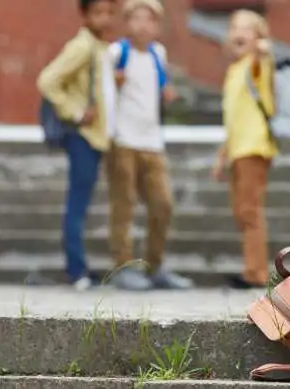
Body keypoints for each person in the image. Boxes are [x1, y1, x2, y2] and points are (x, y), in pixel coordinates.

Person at [104, 0, 192, 290]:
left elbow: (157, 84)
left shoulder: (158, 53)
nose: (143, 25)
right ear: (127, 22)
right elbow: (104, 92)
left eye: (149, 19)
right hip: (123, 140)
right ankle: (123, 266)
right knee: (124, 204)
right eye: (136, 18)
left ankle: (155, 265)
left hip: (152, 141)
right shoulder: (117, 52)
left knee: (162, 203)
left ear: (157, 24)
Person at [37, 0, 117, 291]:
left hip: (95, 137)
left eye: (110, 12)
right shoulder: (82, 46)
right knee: (77, 203)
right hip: (82, 137)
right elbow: (47, 80)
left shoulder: (99, 46)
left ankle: (79, 266)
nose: (105, 18)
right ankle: (76, 270)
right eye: (98, 12)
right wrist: (76, 111)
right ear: (84, 14)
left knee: (81, 202)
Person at [211, 9, 277, 289]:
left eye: (247, 29)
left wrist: (264, 50)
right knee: (241, 211)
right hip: (237, 149)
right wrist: (222, 156)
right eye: (234, 27)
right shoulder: (234, 70)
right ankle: (252, 268)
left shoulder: (255, 65)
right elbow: (233, 118)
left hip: (254, 147)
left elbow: (265, 60)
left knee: (249, 211)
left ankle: (256, 272)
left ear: (258, 37)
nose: (238, 33)